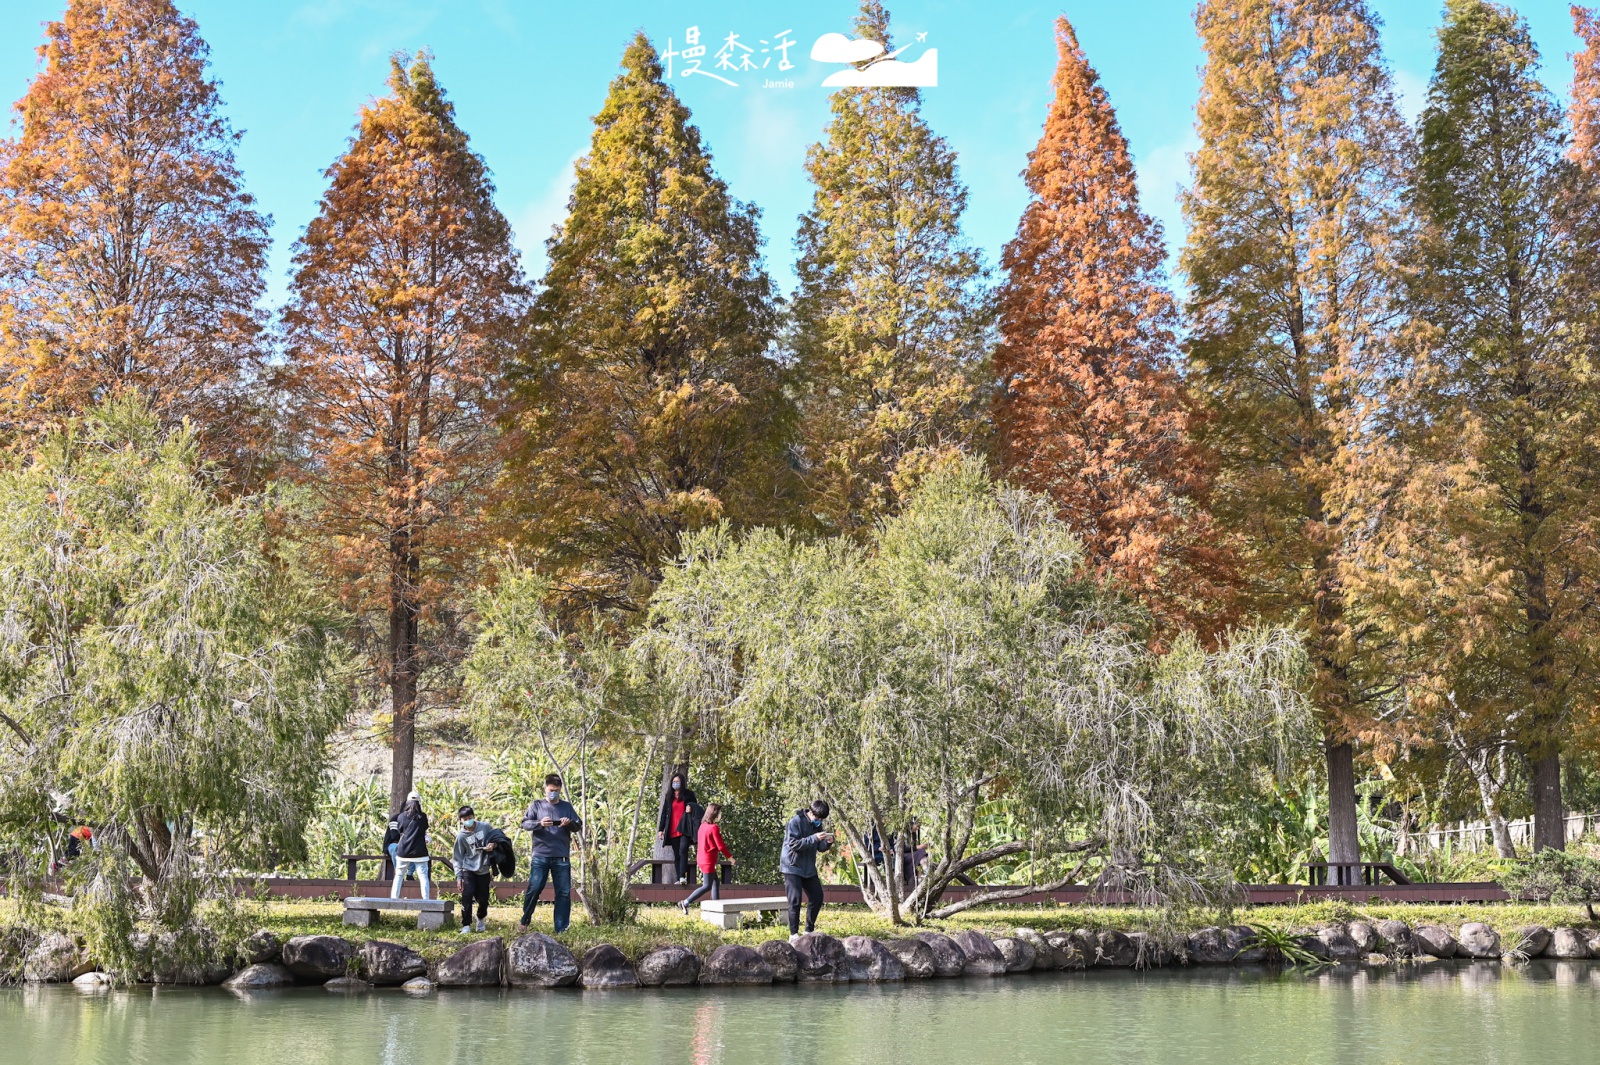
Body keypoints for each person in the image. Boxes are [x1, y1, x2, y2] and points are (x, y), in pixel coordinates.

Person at [519, 774, 583, 933]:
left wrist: (569, 824)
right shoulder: (537, 805)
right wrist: (539, 824)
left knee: (563, 892)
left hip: (561, 856)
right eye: (551, 790)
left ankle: (561, 928)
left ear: (560, 790)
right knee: (535, 888)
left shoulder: (566, 806)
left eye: (556, 790)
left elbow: (578, 825)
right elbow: (525, 823)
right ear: (545, 788)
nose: (553, 793)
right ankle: (524, 920)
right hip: (540, 855)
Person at [779, 800, 834, 937]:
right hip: (792, 866)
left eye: (822, 819)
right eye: (818, 818)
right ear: (811, 812)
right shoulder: (795, 822)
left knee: (817, 896)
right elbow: (794, 844)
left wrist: (827, 843)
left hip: (808, 867)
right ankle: (793, 935)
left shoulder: (818, 825)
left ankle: (808, 931)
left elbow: (819, 847)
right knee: (795, 900)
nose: (819, 821)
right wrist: (814, 838)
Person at [678, 802, 735, 913]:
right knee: (707, 886)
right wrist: (730, 857)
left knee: (715, 882)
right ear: (714, 814)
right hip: (708, 860)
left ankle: (716, 905)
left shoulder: (702, 826)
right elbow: (721, 846)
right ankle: (685, 902)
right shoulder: (713, 828)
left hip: (702, 858)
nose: (720, 815)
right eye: (719, 813)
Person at [452, 805, 499, 934]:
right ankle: (466, 924)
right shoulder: (461, 837)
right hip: (468, 869)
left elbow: (498, 838)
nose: (468, 820)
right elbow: (457, 858)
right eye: (465, 819)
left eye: (470, 817)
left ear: (474, 816)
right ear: (460, 820)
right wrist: (459, 876)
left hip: (483, 868)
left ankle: (480, 918)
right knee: (467, 896)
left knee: (483, 898)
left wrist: (493, 845)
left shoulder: (485, 827)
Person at [656, 772, 699, 885]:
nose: (675, 784)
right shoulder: (669, 796)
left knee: (683, 850)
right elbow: (664, 813)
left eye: (678, 782)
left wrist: (691, 808)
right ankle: (679, 877)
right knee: (677, 854)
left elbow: (696, 808)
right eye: (674, 782)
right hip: (672, 829)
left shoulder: (689, 794)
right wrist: (661, 830)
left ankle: (682, 877)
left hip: (685, 828)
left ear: (682, 783)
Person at [390, 791, 431, 900]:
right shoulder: (423, 817)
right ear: (419, 803)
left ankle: (394, 898)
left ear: (407, 802)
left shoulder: (401, 816)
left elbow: (400, 830)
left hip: (404, 850)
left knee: (398, 875)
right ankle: (426, 900)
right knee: (423, 876)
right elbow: (424, 829)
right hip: (420, 851)